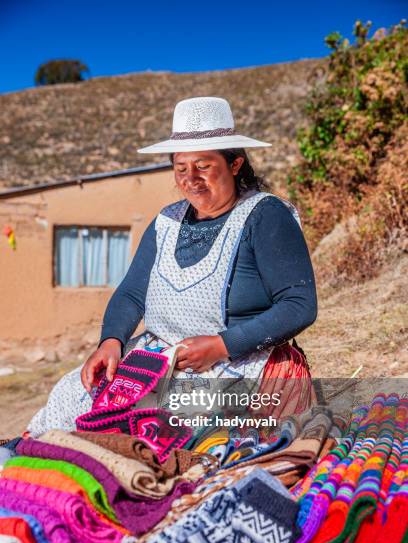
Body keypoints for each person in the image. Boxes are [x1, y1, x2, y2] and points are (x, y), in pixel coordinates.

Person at [28, 96, 317, 437]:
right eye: (181, 168)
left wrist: (221, 345)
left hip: (232, 361)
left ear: (235, 163)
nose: (190, 178)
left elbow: (299, 305)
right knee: (73, 394)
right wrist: (111, 342)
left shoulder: (265, 216)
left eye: (203, 166)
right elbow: (132, 294)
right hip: (156, 355)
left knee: (160, 429)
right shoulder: (166, 222)